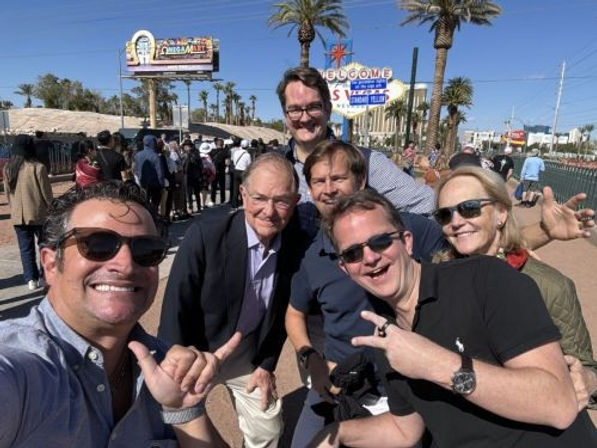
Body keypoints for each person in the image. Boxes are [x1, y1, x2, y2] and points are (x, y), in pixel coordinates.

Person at [312, 189, 596, 447]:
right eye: (353, 253)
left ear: (407, 242)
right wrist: (338, 433)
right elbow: (405, 429)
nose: (370, 257)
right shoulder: (386, 333)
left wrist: (433, 363)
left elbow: (557, 404)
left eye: (380, 241)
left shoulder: (485, 279)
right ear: (345, 268)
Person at [0, 181, 242, 446]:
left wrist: (183, 412)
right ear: (49, 263)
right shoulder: (20, 368)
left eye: (146, 250)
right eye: (98, 244)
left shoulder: (164, 367)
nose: (126, 265)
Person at [286, 140, 446, 447]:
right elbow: (294, 312)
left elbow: (472, 247)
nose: (328, 189)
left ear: (361, 182)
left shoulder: (401, 228)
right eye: (319, 181)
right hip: (340, 383)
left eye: (338, 178)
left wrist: (537, 235)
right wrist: (311, 360)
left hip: (409, 386)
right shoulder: (313, 256)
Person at [158, 153, 307, 448]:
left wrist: (266, 364)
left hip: (246, 355)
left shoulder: (296, 245)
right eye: (259, 198)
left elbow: (280, 315)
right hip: (197, 351)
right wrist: (174, 363)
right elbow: (176, 306)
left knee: (267, 427)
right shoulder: (205, 236)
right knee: (172, 427)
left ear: (296, 200)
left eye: (281, 201)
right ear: (242, 194)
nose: (269, 211)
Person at [435, 165, 597, 410]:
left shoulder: (549, 286)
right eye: (445, 215)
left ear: (501, 213)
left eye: (470, 208)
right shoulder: (436, 274)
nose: (456, 222)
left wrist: (587, 380)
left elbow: (586, 366)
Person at [276, 66, 434, 235]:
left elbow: (427, 204)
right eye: (294, 109)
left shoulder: (365, 161)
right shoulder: (275, 166)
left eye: (314, 107)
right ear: (285, 115)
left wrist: (383, 237)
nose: (304, 117)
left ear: (328, 110)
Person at [3, 134, 53, 290]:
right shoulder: (38, 167)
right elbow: (47, 194)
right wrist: (52, 209)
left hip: (18, 215)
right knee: (44, 246)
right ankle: (44, 276)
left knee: (25, 248)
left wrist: (15, 208)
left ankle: (31, 279)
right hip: (39, 214)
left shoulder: (8, 168)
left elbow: (7, 194)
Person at [133, 134, 165, 210]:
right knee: (155, 204)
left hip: (142, 183)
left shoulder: (138, 155)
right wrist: (162, 185)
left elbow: (135, 170)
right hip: (155, 184)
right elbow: (160, 172)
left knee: (144, 204)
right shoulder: (155, 156)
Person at [230, 139, 252, 208]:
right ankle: (243, 201)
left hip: (236, 170)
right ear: (247, 146)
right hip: (243, 172)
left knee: (235, 188)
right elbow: (249, 165)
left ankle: (234, 203)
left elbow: (233, 161)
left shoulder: (236, 152)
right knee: (244, 188)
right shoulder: (247, 155)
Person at [183, 139, 203, 213]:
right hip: (196, 176)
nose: (184, 147)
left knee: (190, 193)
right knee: (196, 192)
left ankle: (191, 207)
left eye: (185, 146)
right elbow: (201, 165)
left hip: (188, 176)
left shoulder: (186, 154)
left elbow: (183, 165)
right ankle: (198, 207)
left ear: (188, 146)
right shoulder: (197, 153)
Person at [209, 138, 230, 206]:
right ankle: (222, 200)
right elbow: (227, 162)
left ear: (216, 144)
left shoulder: (212, 151)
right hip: (221, 171)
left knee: (213, 186)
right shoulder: (225, 152)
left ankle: (212, 200)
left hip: (214, 171)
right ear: (223, 144)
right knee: (222, 187)